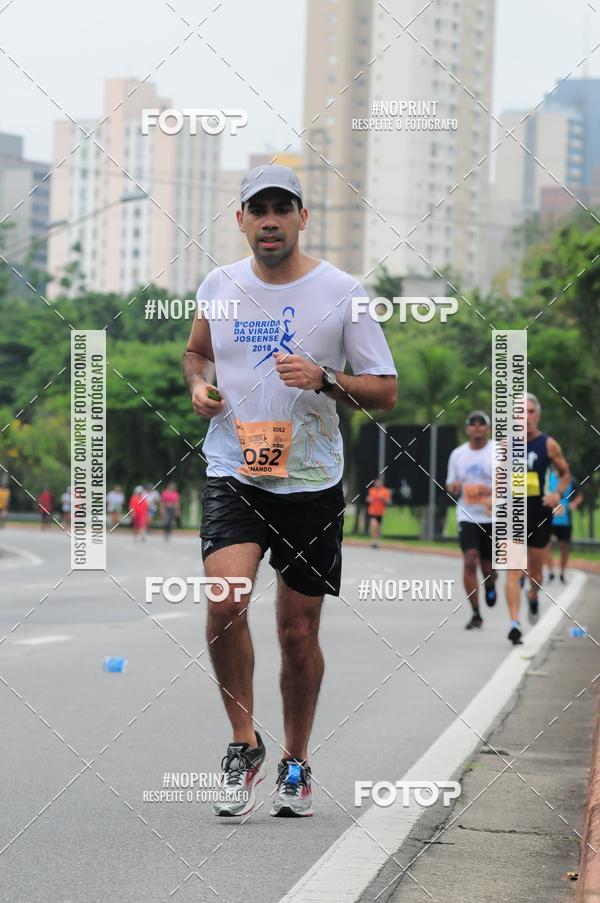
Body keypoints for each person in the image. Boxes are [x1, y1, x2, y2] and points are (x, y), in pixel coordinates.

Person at [183, 164, 397, 818]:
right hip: (234, 467)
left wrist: (327, 378)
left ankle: (296, 759)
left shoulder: (342, 292)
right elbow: (198, 353)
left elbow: (385, 389)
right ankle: (243, 744)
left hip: (310, 479)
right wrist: (199, 386)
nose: (270, 219)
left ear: (302, 217)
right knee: (225, 602)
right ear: (241, 219)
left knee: (297, 632)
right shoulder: (219, 285)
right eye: (258, 209)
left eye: (283, 208)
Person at [504, 394, 570, 645]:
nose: (526, 417)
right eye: (520, 413)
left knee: (536, 573)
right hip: (513, 514)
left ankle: (533, 595)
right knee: (513, 571)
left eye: (530, 412)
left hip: (540, 513)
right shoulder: (504, 446)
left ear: (538, 416)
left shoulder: (548, 444)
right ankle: (514, 623)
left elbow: (565, 474)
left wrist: (557, 494)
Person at [446, 411, 497, 631]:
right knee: (470, 559)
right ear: (467, 429)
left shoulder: (498, 452)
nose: (477, 428)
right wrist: (454, 488)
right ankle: (476, 613)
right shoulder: (458, 455)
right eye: (472, 424)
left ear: (488, 428)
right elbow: (451, 484)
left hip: (493, 515)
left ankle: (491, 583)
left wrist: (490, 491)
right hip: (467, 515)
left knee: (488, 567)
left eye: (481, 424)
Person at [545, 468, 583, 583]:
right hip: (549, 519)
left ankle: (562, 573)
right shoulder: (547, 477)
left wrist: (573, 505)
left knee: (564, 547)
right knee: (546, 545)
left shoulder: (571, 479)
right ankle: (551, 571)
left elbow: (579, 496)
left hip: (565, 520)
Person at [366, 478, 392, 547]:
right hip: (372, 511)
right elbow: (369, 498)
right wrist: (369, 499)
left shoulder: (385, 491)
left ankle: (376, 541)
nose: (377, 484)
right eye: (376, 482)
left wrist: (383, 498)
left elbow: (388, 502)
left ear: (381, 483)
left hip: (380, 512)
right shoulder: (371, 490)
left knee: (378, 528)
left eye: (379, 482)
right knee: (374, 525)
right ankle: (373, 541)